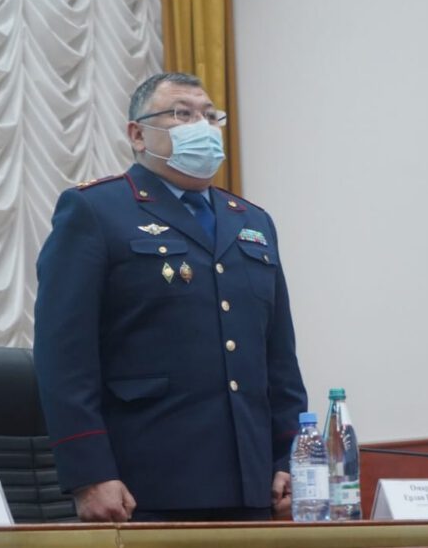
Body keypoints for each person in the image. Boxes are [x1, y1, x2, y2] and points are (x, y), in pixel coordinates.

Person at [34, 72, 307, 522]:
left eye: (210, 116)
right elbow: (63, 357)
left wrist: (292, 459)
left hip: (254, 485)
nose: (202, 126)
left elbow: (279, 361)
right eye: (182, 113)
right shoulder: (96, 210)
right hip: (147, 486)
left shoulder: (252, 221)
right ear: (138, 134)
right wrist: (88, 474)